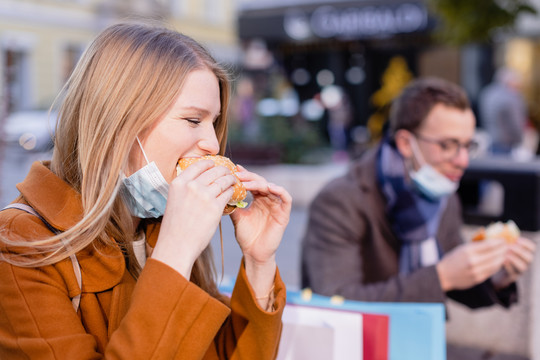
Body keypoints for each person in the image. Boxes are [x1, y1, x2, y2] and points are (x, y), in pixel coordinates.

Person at [0, 22, 292, 359]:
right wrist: (175, 253)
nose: (213, 144)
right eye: (193, 120)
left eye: (214, 122)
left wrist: (259, 261)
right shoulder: (19, 243)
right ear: (119, 120)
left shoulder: (157, 223)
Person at [302, 77, 535, 309]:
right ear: (405, 143)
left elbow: (456, 279)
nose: (462, 161)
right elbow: (334, 300)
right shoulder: (340, 200)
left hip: (422, 338)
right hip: (358, 344)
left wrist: (496, 279)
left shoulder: (443, 193)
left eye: (467, 146)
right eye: (447, 145)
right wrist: (441, 277)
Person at [478, 67, 528, 155]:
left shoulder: (487, 93)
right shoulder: (509, 97)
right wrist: (521, 140)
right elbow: (515, 123)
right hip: (507, 143)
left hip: (491, 139)